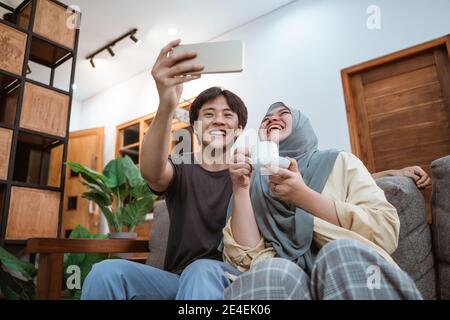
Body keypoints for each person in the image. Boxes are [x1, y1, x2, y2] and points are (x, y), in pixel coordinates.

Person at [81, 39, 247, 300]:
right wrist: (167, 105)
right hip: (174, 280)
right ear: (195, 125)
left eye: (228, 115)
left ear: (239, 129)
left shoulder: (246, 173)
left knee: (201, 270)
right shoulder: (181, 167)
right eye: (209, 114)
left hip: (227, 279)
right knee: (106, 273)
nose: (218, 120)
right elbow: (152, 172)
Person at [222, 102, 423, 300]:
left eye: (283, 113)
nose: (272, 118)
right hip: (285, 281)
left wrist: (304, 197)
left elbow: (385, 230)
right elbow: (245, 260)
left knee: (339, 253)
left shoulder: (340, 161)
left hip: (348, 270)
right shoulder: (250, 180)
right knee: (271, 271)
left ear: (302, 125)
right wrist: (240, 190)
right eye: (266, 118)